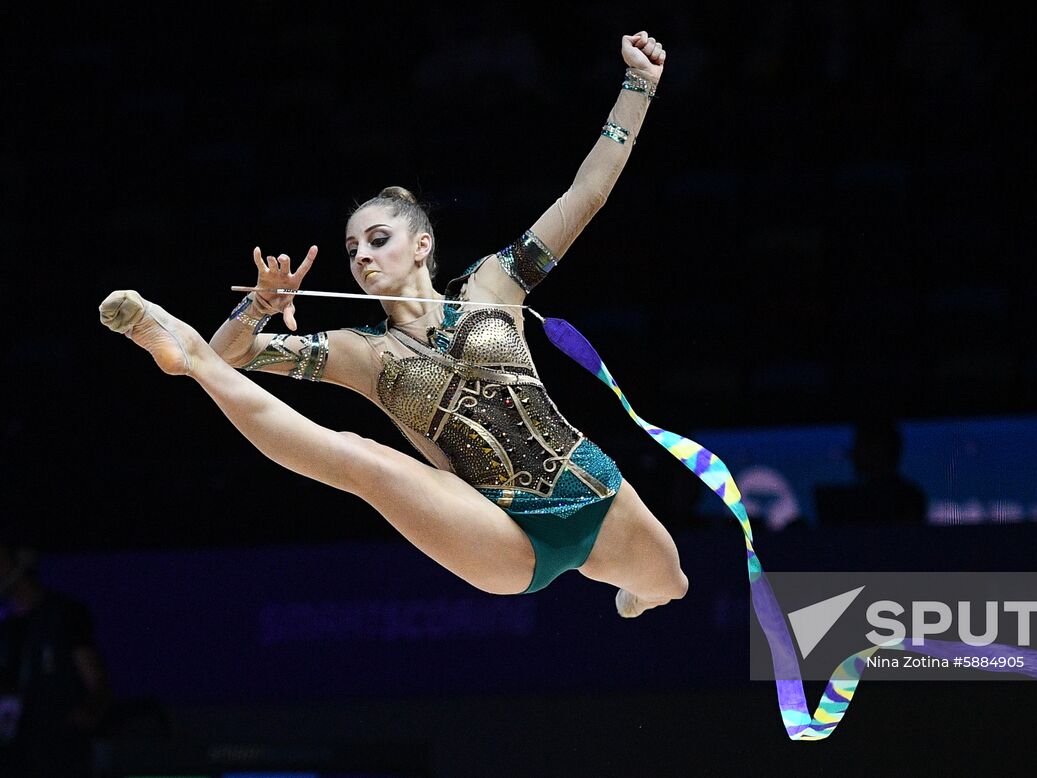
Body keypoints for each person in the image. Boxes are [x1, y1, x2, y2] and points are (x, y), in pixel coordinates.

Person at [98, 32, 686, 618]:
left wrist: (639, 85)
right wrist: (257, 307)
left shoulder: (494, 287)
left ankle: (632, 597)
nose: (363, 257)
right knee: (362, 461)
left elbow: (586, 195)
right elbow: (236, 356)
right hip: (494, 534)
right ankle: (183, 351)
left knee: (671, 586)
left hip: (592, 491)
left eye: (378, 241)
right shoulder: (363, 352)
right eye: (353, 250)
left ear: (422, 244)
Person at [0, 541, 114, 777]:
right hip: (16, 757)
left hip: (59, 756)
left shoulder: (63, 615)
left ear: (19, 562)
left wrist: (87, 714)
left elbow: (97, 684)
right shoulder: (6, 629)